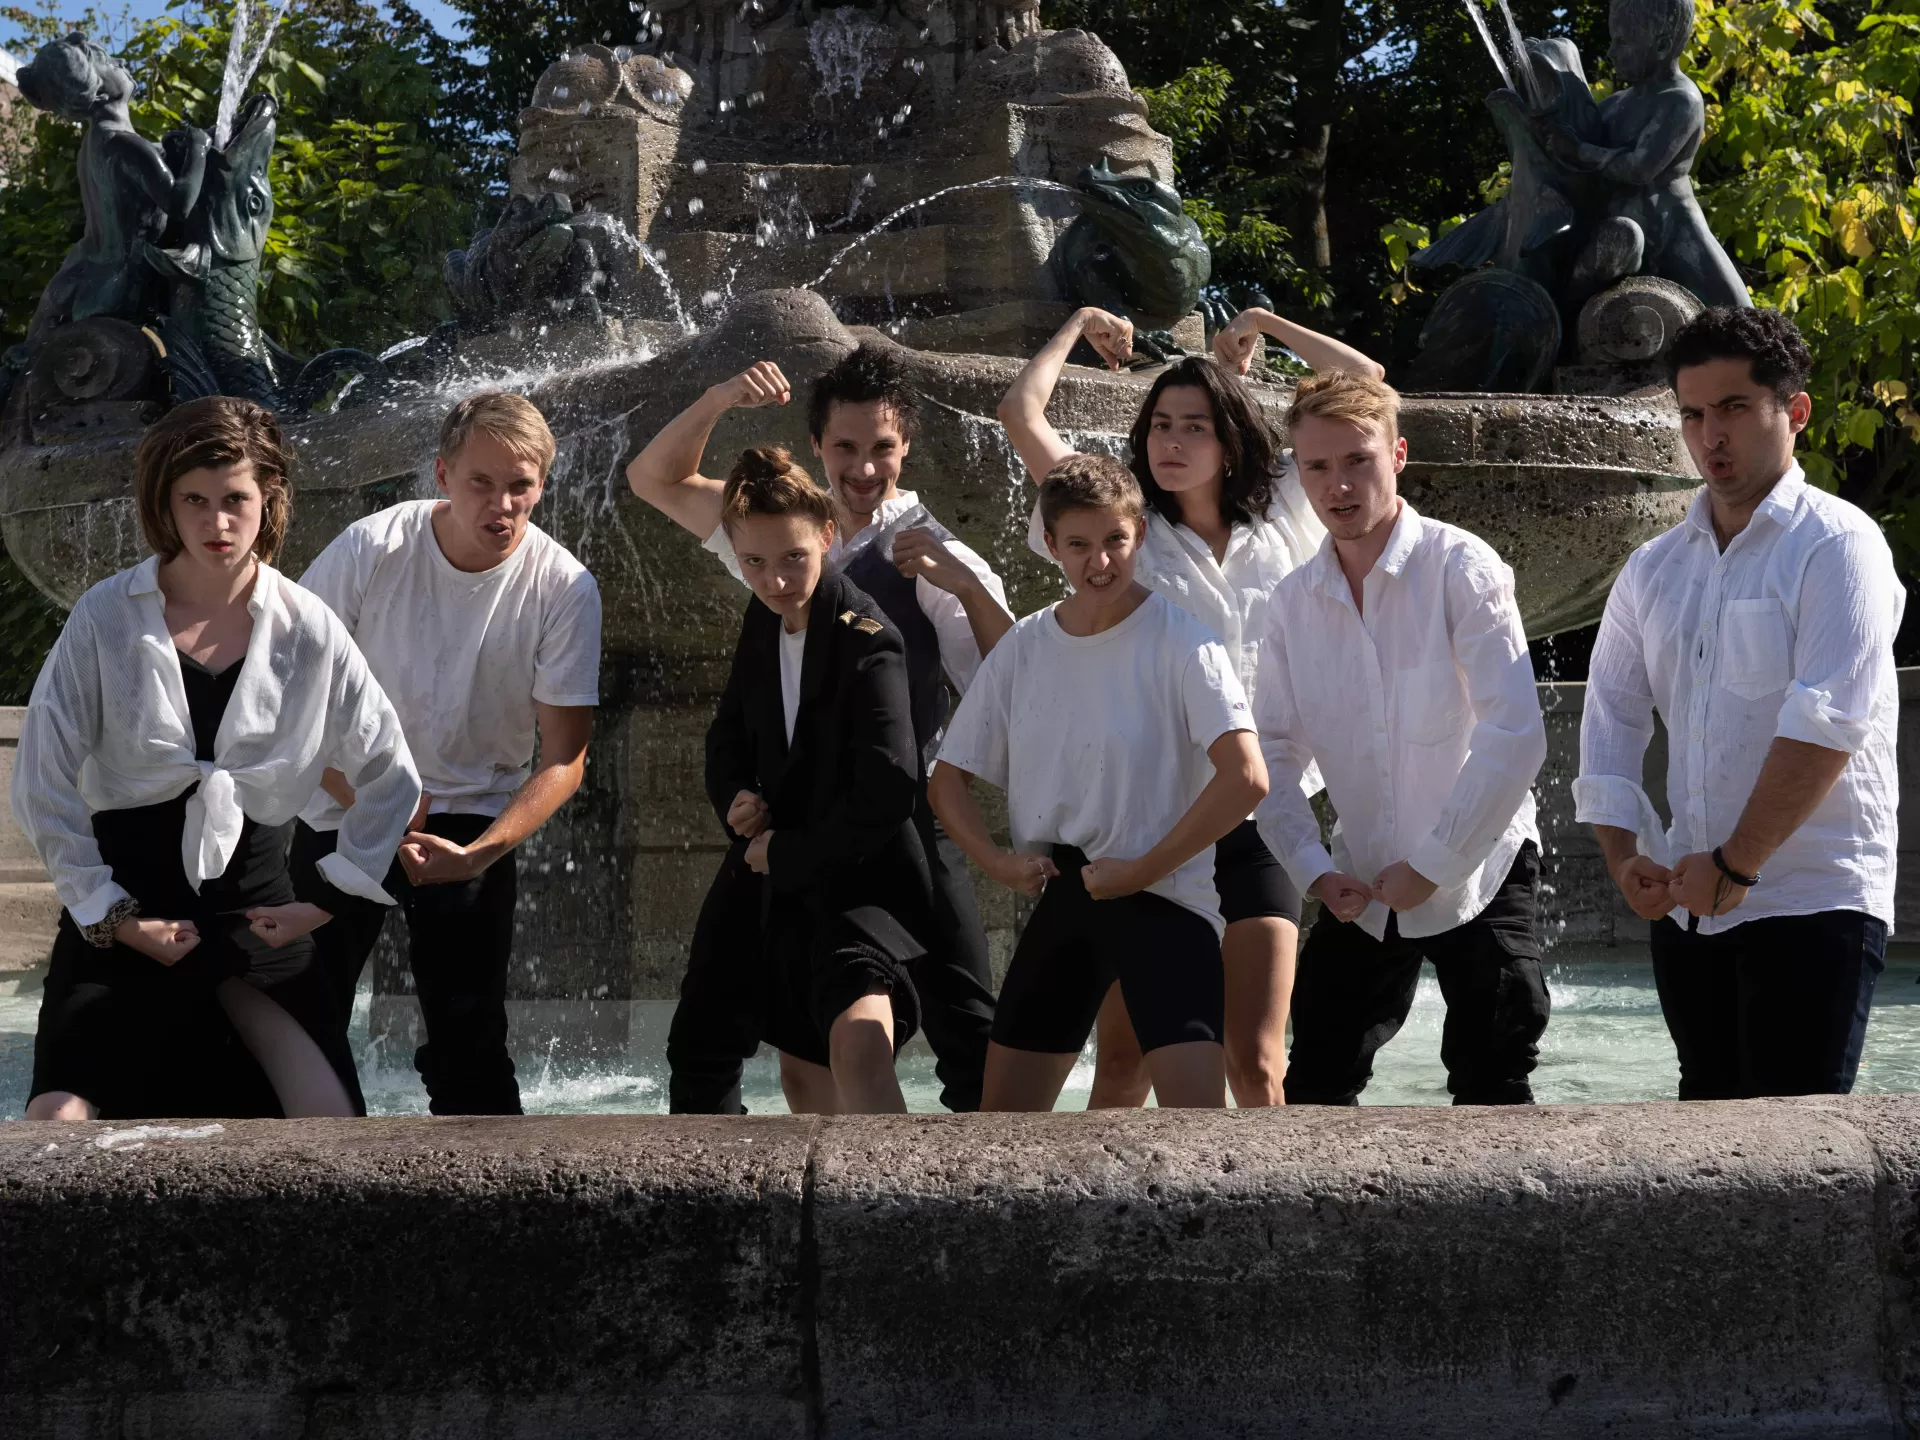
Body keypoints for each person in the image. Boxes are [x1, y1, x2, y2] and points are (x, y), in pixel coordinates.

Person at [995, 304, 1380, 1109]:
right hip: (1157, 824)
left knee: (1257, 1062)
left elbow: (1367, 382)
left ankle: (1263, 1192)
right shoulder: (1126, 531)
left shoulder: (1284, 505)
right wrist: (1075, 325)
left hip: (1265, 814)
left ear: (1229, 439)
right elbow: (1021, 415)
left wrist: (1265, 321)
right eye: (1160, 426)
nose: (1170, 443)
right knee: (1125, 1061)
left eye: (1194, 428)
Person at [627, 343, 1010, 1113]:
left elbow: (1015, 686)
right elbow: (653, 479)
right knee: (797, 1042)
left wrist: (963, 585)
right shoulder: (778, 531)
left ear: (906, 446)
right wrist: (721, 397)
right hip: (799, 823)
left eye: (882, 448)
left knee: (970, 1032)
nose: (864, 468)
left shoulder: (934, 550)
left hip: (904, 817)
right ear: (817, 444)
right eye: (845, 447)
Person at [15, 395, 421, 1121]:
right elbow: (42, 781)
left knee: (332, 1129)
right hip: (123, 920)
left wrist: (324, 902)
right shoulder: (105, 616)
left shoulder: (308, 626)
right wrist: (113, 917)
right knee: (54, 1127)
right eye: (194, 501)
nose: (218, 522)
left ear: (269, 499)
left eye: (235, 499)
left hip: (258, 925)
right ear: (165, 504)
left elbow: (392, 774)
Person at [1573, 307, 1902, 1100]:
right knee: (1707, 1135)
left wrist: (1736, 865)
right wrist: (1624, 857)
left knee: (1799, 1144)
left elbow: (1828, 721)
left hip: (1814, 900)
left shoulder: (1838, 543)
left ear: (1795, 411)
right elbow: (1611, 718)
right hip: (1690, 905)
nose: (1710, 435)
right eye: (1692, 414)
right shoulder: (1652, 568)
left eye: (1733, 408)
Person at [289, 391, 602, 1116]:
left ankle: (493, 1180)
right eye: (481, 482)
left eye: (520, 485)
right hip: (345, 797)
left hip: (470, 816)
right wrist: (368, 800)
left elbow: (565, 756)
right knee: (304, 1012)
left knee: (471, 1038)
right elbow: (285, 694)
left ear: (542, 485)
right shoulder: (372, 547)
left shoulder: (564, 586)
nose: (502, 504)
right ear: (442, 474)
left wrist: (482, 853)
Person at [929, 453, 1269, 1112]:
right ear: (1051, 543)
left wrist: (1142, 870)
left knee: (1201, 1132)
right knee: (1003, 1134)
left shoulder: (1185, 642)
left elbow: (1248, 777)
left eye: (1116, 539)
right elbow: (946, 781)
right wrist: (996, 862)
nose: (1101, 561)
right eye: (1080, 544)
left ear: (1139, 533)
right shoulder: (1026, 645)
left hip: (1167, 903)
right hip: (1066, 899)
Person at [1253, 370, 1550, 1106]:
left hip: (1480, 866)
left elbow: (1515, 734)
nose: (1337, 485)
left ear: (1398, 454)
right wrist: (1312, 868)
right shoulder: (1290, 604)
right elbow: (1274, 755)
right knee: (1317, 1075)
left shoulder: (1462, 566)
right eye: (1317, 466)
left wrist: (1435, 863)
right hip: (1360, 875)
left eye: (1358, 460)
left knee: (1494, 1076)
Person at [702, 446, 935, 1113]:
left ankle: (893, 1183)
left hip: (863, 878)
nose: (774, 580)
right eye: (754, 562)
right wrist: (736, 798)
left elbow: (890, 787)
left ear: (827, 535)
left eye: (793, 558)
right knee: (795, 1074)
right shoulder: (762, 617)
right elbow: (727, 734)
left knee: (858, 1048)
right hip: (781, 878)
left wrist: (786, 851)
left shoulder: (870, 638)